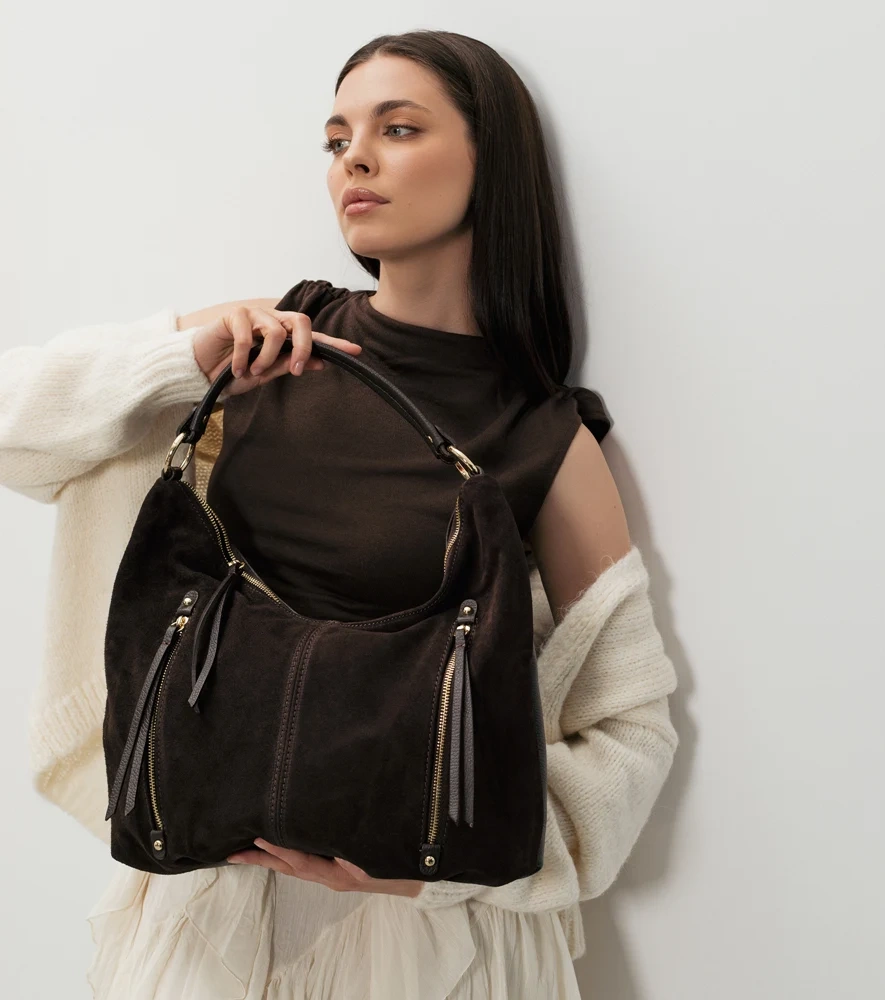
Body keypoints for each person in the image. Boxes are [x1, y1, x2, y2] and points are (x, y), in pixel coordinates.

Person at [1, 29, 679, 999]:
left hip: (426, 945)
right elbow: (16, 426)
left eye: (397, 129)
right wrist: (185, 362)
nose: (353, 158)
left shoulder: (541, 437)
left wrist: (429, 873)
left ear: (492, 161)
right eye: (336, 138)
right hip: (212, 915)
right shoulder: (274, 341)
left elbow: (631, 728)